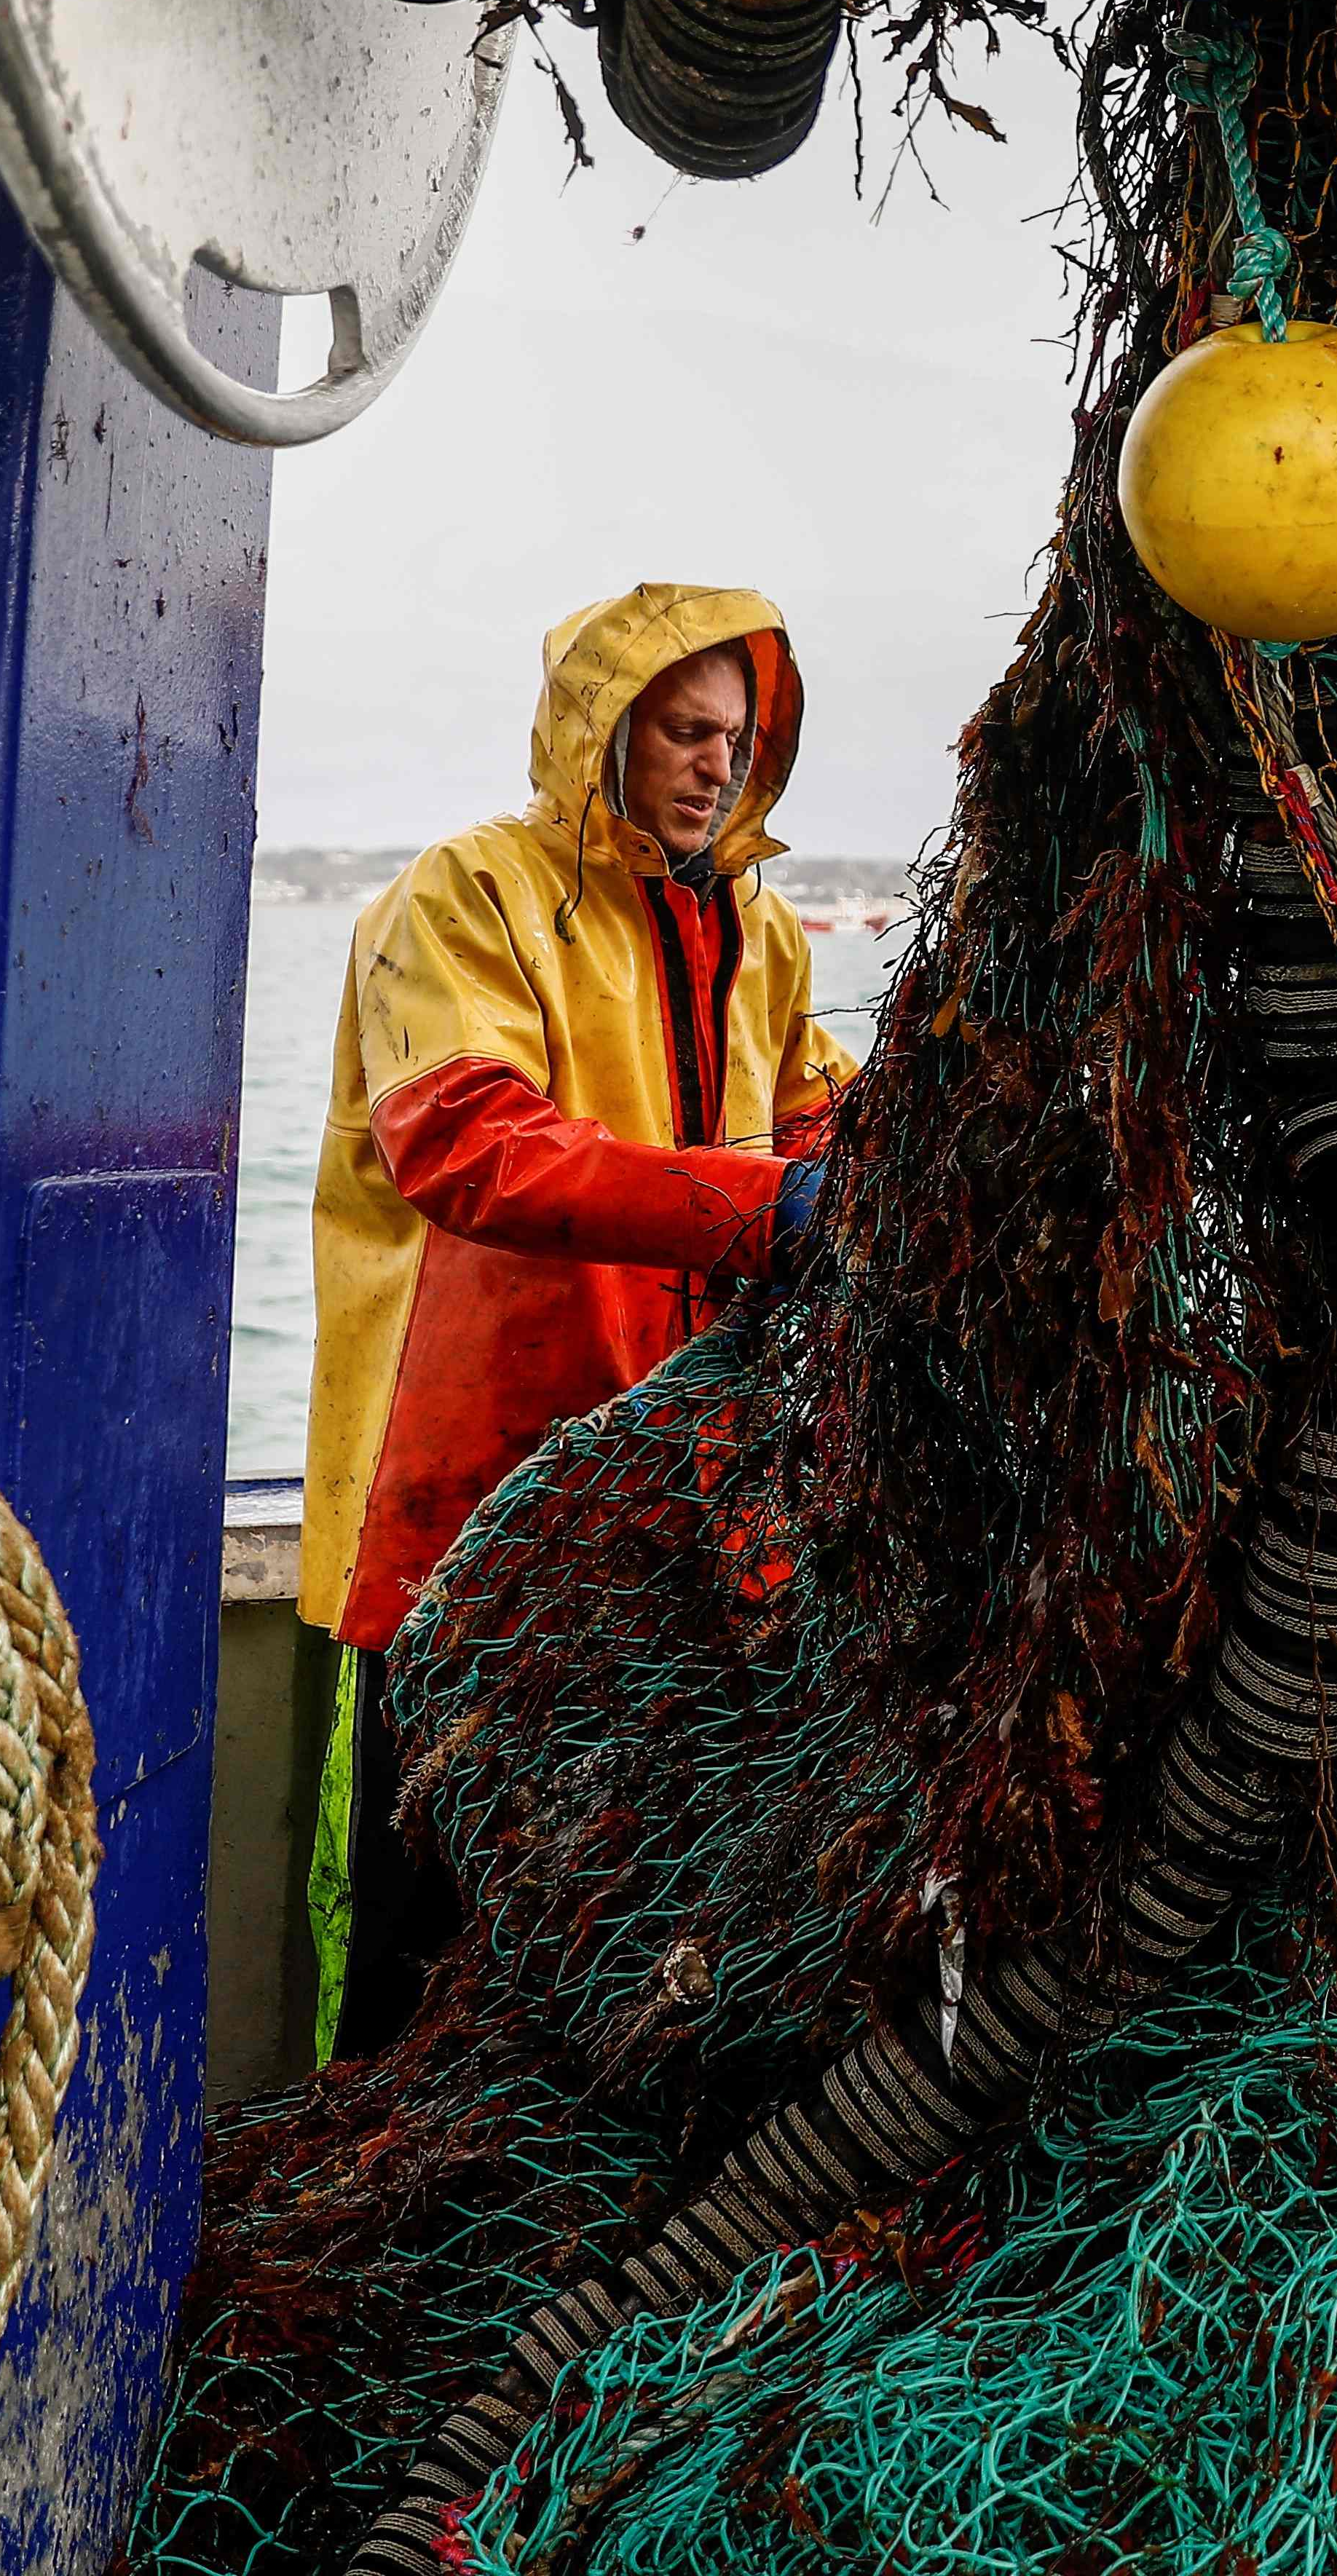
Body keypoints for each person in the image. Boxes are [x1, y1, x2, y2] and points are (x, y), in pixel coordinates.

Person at [299, 584, 858, 2060]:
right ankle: (365, 2147)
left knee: (613, 1911)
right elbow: (467, 1144)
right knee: (415, 1911)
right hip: (455, 1506)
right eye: (683, 730)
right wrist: (770, 1212)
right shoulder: (462, 893)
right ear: (599, 731)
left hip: (674, 1511)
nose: (715, 767)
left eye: (736, 738)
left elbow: (817, 1113)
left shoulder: (765, 929)